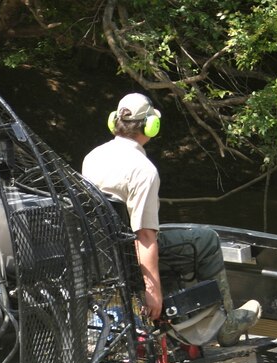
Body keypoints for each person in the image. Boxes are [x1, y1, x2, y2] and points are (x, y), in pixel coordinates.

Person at [81, 92, 261, 346]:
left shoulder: (93, 157)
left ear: (114, 122)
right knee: (206, 240)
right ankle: (227, 324)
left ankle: (191, 319)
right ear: (150, 126)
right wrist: (152, 290)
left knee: (169, 236)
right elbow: (144, 236)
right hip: (129, 257)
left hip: (103, 254)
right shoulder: (143, 171)